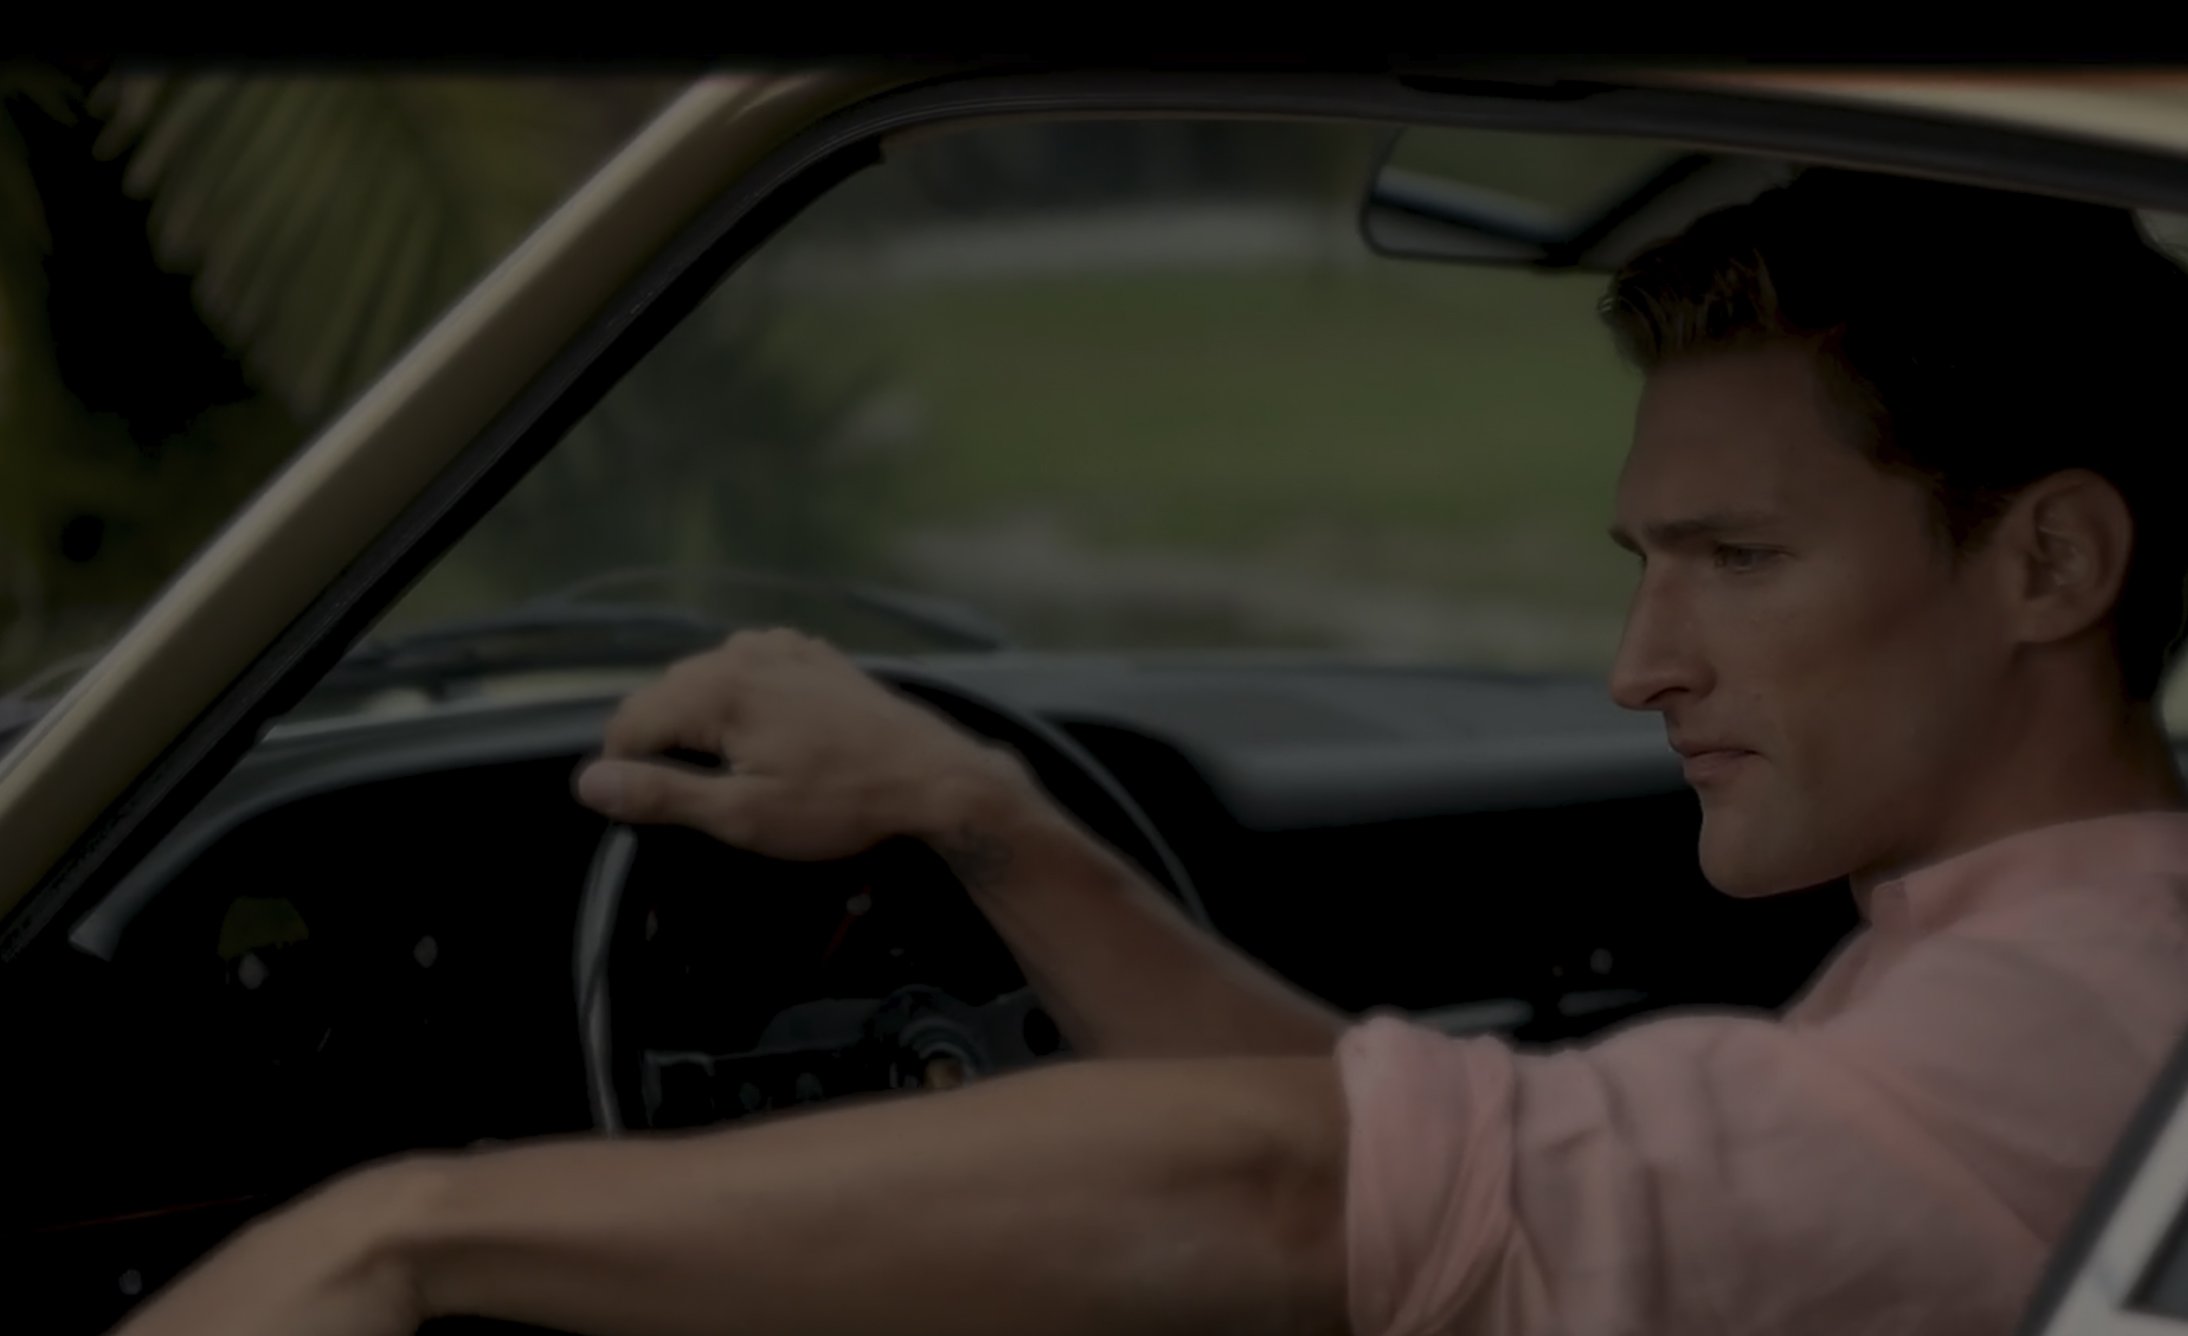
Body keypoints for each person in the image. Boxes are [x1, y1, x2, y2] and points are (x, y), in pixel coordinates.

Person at [114, 167, 2188, 1336]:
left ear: (2047, 559)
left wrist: (407, 1222)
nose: (1634, 662)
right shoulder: (2053, 970)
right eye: (1641, 560)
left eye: (1735, 558)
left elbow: (1288, 1187)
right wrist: (984, 819)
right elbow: (1439, 1187)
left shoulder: (2034, 1034)